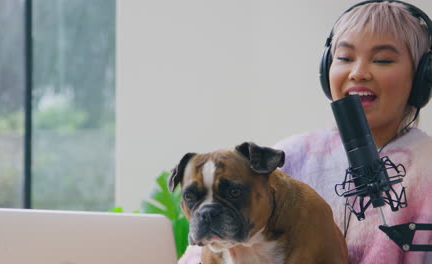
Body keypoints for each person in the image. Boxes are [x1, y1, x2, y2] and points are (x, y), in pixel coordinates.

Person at [178, 1, 432, 263]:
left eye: (382, 60)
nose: (358, 73)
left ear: (423, 76)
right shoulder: (292, 155)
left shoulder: (428, 169)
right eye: (344, 58)